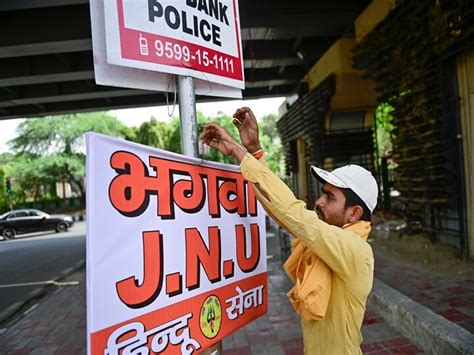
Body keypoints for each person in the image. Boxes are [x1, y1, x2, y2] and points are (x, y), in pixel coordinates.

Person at [201, 107, 378, 354]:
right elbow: (283, 213)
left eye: (330, 197)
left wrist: (239, 152)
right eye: (322, 194)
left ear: (354, 213)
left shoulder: (357, 251)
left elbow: (293, 215)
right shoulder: (329, 245)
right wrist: (254, 151)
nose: (319, 201)